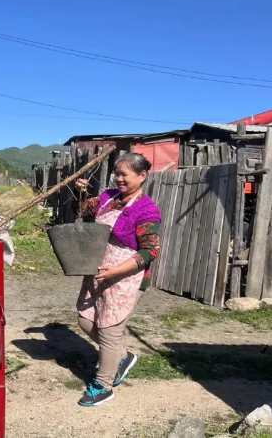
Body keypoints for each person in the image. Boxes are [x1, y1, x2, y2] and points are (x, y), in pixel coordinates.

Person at [73, 152, 161, 407]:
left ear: (142, 176)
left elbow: (150, 251)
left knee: (110, 330)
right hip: (99, 271)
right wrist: (79, 193)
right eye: (117, 174)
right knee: (86, 320)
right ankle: (122, 356)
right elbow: (79, 210)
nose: (119, 179)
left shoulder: (146, 209)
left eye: (125, 174)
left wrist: (117, 271)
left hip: (126, 278)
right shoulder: (107, 198)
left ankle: (103, 385)